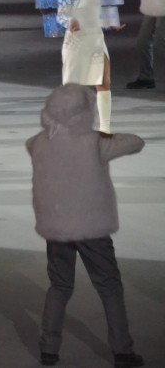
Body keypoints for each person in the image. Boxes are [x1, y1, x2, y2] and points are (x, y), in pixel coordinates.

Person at [27, 85, 145, 368]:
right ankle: (122, 350)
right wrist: (103, 135)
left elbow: (32, 142)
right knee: (109, 286)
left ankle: (49, 347)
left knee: (59, 285)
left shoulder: (39, 143)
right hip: (92, 226)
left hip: (57, 225)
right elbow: (136, 142)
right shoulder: (95, 143)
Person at [57, 0, 117, 134]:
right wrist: (70, 23)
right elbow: (61, 16)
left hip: (96, 39)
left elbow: (97, 14)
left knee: (104, 81)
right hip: (77, 43)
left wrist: (110, 22)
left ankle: (105, 130)